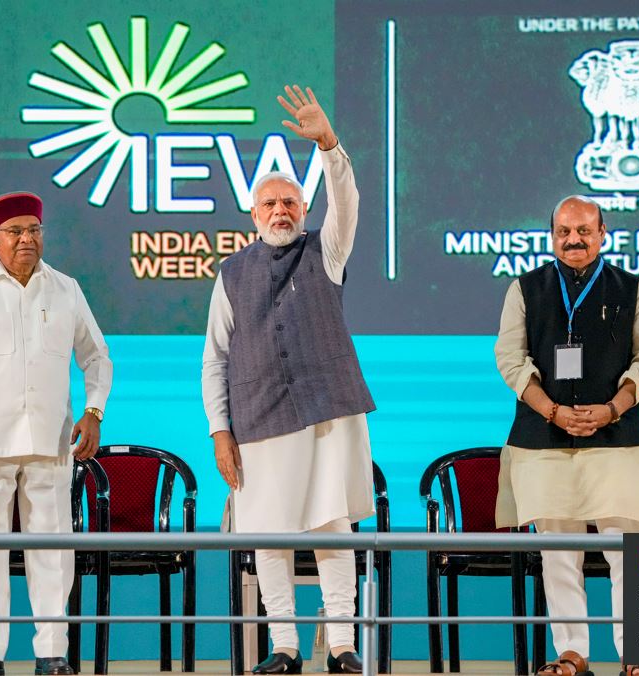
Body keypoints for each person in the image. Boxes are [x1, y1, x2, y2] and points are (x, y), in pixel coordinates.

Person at [202, 85, 375, 675]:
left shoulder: (325, 253)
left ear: (303, 212)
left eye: (291, 204)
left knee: (332, 530)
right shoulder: (230, 273)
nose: (281, 212)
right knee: (269, 536)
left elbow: (345, 203)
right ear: (253, 215)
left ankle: (346, 647)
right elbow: (215, 358)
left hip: (326, 416)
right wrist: (219, 432)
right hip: (256, 421)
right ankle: (285, 646)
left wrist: (329, 145)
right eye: (270, 204)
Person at [0, 191, 113, 676]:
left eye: (34, 230)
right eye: (16, 232)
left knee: (53, 552)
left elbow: (97, 357)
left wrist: (93, 411)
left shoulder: (66, 289)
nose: (27, 239)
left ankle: (52, 654)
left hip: (51, 445)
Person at [494, 196, 639, 676]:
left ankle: (638, 654)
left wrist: (613, 408)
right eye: (564, 232)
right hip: (544, 437)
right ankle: (572, 653)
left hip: (618, 437)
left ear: (602, 233)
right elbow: (510, 359)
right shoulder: (525, 290)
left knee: (630, 552)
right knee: (557, 551)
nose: (574, 240)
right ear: (552, 236)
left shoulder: (635, 290)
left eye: (584, 231)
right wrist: (551, 410)